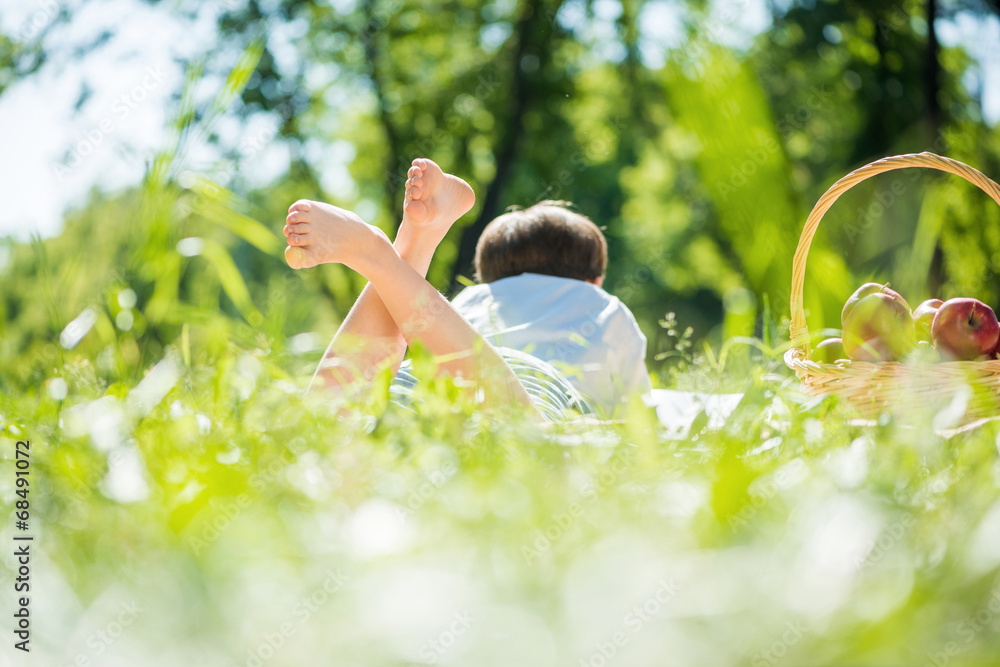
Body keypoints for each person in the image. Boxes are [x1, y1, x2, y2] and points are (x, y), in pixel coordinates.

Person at [283, 159, 649, 419]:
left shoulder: (474, 300)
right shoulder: (603, 306)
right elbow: (641, 417)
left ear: (490, 279)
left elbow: (429, 335)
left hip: (420, 391)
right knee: (522, 427)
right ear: (593, 280)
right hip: (528, 399)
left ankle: (408, 251)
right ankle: (379, 257)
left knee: (325, 427)